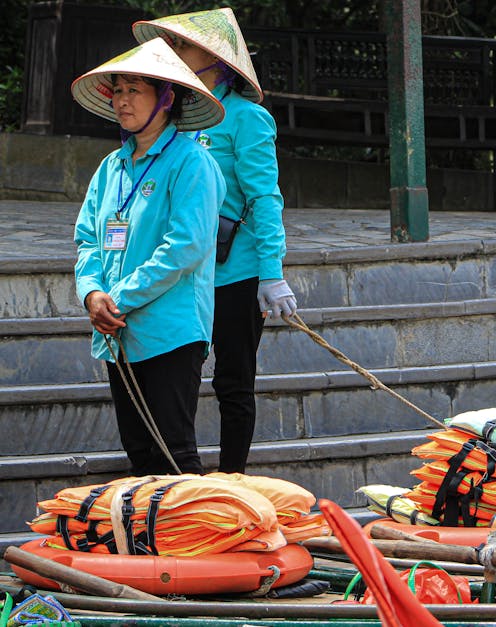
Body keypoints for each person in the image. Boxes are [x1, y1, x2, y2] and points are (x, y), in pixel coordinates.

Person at [132, 8, 294, 474]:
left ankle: (232, 480)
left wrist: (272, 273)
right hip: (182, 270)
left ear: (217, 58)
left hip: (235, 270)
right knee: (173, 375)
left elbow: (264, 198)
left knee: (233, 382)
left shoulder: (247, 118)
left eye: (183, 44)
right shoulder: (173, 115)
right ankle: (173, 477)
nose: (175, 52)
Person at [71, 37, 227, 475]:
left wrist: (118, 298)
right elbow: (87, 240)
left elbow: (185, 246)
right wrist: (92, 293)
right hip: (118, 332)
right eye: (118, 90)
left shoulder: (192, 162)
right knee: (139, 451)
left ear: (166, 99)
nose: (122, 100)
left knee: (173, 452)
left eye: (134, 90)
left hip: (170, 330)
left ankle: (190, 522)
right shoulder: (111, 167)